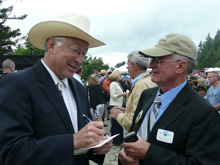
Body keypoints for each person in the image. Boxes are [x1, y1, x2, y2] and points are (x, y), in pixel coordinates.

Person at [0, 13, 112, 165]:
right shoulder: (17, 84)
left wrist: (95, 146)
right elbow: (12, 152)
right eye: (76, 51)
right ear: (52, 45)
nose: (80, 60)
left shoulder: (79, 88)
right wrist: (73, 141)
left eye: (84, 54)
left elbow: (81, 142)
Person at [118, 33, 220, 164]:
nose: (150, 65)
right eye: (151, 59)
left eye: (158, 60)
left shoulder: (204, 113)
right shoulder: (148, 95)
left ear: (181, 66)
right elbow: (134, 135)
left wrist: (150, 153)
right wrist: (125, 152)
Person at [110, 51, 156, 131]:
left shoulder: (141, 85)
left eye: (128, 65)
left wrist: (118, 115)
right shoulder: (148, 81)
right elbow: (142, 110)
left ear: (134, 66)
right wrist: (127, 111)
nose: (127, 68)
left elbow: (135, 120)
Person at [109, 70, 127, 146]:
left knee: (119, 124)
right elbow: (112, 96)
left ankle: (119, 139)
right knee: (116, 124)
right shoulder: (113, 84)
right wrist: (122, 94)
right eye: (120, 75)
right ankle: (116, 140)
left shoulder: (118, 83)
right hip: (114, 105)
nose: (121, 76)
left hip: (119, 105)